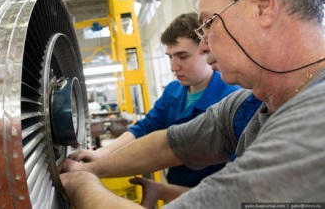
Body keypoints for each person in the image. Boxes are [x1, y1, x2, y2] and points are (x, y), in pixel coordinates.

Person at [59, 0, 325, 208]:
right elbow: (169, 144)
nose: (204, 45)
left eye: (208, 24)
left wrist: (80, 185)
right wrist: (94, 168)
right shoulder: (250, 104)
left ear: (262, 5)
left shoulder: (316, 122)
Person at [69, 13, 240, 189]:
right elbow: (144, 128)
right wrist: (100, 154)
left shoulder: (232, 100)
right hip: (175, 186)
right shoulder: (173, 91)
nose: (173, 67)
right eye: (170, 56)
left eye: (182, 56)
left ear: (206, 49)